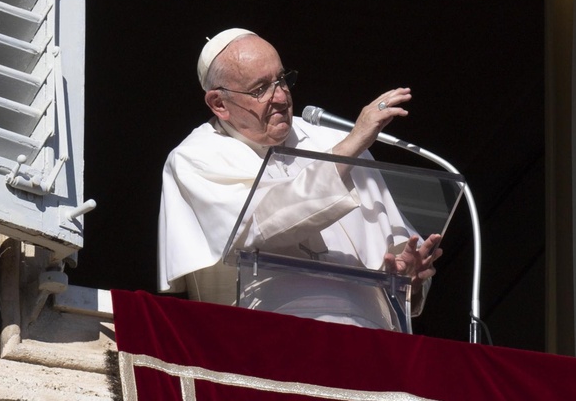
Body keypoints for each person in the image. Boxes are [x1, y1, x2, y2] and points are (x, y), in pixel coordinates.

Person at [158, 28, 442, 330]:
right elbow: (261, 223)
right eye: (260, 89)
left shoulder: (334, 142)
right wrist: (352, 143)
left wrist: (404, 275)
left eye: (282, 80)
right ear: (219, 104)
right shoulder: (196, 157)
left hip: (369, 337)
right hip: (262, 339)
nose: (281, 97)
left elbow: (396, 254)